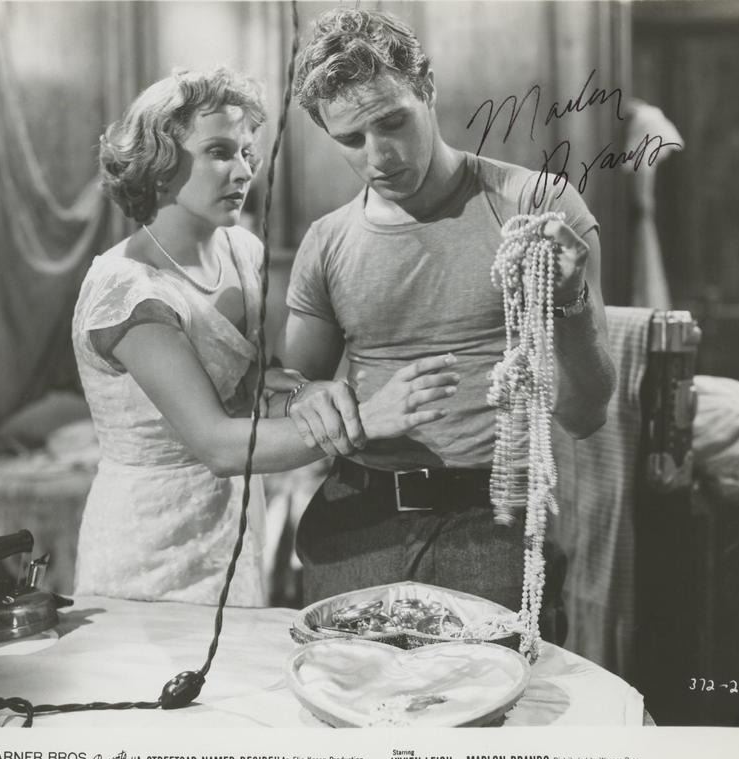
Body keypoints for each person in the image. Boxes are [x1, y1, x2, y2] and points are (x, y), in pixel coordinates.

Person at [278, 9, 618, 634]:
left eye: (392, 122)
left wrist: (568, 300)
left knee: (499, 697)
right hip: (354, 518)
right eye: (350, 139)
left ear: (427, 90)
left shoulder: (532, 207)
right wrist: (305, 394)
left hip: (491, 520)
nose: (379, 156)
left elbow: (586, 413)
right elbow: (287, 393)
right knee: (341, 694)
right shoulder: (327, 242)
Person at [71, 67, 460, 607]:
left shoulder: (242, 251)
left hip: (232, 523)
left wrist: (302, 391)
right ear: (159, 164)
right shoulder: (127, 292)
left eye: (248, 153)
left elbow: (246, 382)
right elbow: (217, 444)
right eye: (218, 152)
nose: (244, 171)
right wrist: (367, 419)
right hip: (147, 541)